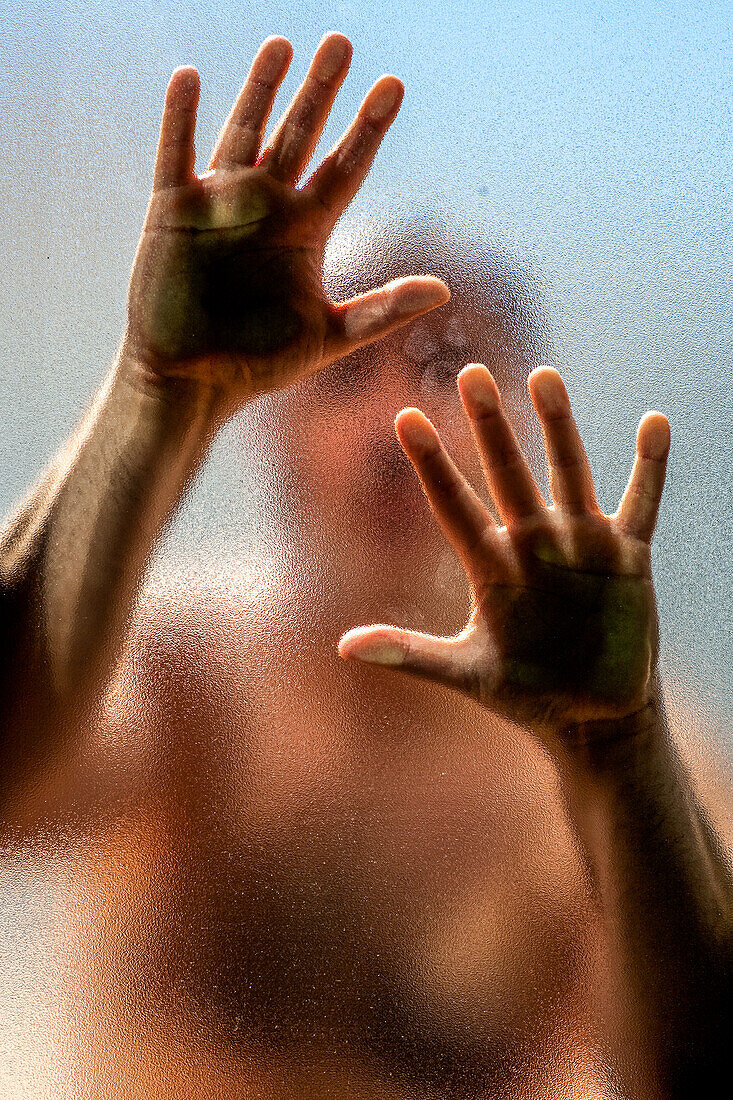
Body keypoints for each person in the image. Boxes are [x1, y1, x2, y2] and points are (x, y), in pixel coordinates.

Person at [0, 33, 730, 1100]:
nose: (395, 422)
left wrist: (617, 761)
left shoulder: (629, 760)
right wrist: (152, 401)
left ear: (526, 425)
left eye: (447, 362)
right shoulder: (189, 673)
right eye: (340, 375)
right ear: (267, 425)